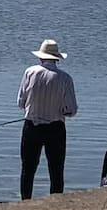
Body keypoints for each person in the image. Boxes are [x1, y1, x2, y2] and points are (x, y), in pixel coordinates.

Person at [17, 38, 77, 200]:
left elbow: (20, 103)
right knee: (56, 170)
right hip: (55, 129)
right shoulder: (65, 78)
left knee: (28, 169)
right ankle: (56, 203)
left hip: (31, 126)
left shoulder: (29, 72)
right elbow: (71, 110)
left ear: (40, 57)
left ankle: (25, 201)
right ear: (57, 58)